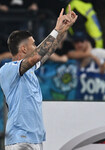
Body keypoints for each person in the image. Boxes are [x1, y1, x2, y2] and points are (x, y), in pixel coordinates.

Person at [0, 6, 77, 150]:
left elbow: (49, 49)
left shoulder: (29, 70)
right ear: (23, 49)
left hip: (34, 137)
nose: (36, 47)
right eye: (34, 44)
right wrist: (55, 30)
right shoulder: (8, 69)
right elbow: (36, 56)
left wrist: (63, 28)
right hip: (19, 138)